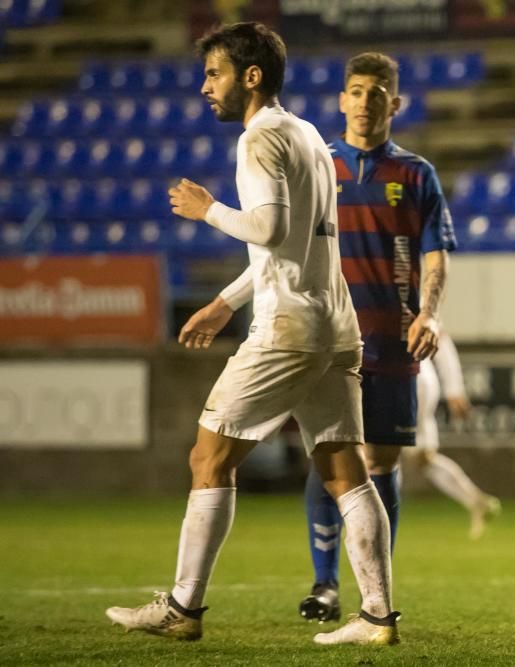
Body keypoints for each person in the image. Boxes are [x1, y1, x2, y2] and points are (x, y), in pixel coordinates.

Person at [104, 23, 399, 647]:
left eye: (214, 74)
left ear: (251, 75)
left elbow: (266, 229)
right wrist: (221, 301)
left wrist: (205, 208)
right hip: (334, 322)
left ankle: (183, 608)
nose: (205, 87)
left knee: (208, 457)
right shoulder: (310, 135)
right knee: (346, 471)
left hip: (288, 329)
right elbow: (298, 245)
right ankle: (376, 617)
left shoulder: (259, 139)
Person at [298, 52, 456, 627]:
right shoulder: (316, 164)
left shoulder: (416, 174)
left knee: (383, 462)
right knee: (329, 455)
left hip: (391, 338)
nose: (365, 101)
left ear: (396, 103)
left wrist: (431, 314)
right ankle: (324, 584)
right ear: (342, 100)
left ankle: (375, 588)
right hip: (326, 335)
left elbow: (435, 253)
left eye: (377, 92)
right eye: (356, 90)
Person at [413, 331, 501, 540]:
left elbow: (437, 334)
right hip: (421, 377)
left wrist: (454, 389)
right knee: (422, 458)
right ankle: (476, 501)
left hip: (401, 378)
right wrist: (453, 389)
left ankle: (362, 521)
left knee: (375, 455)